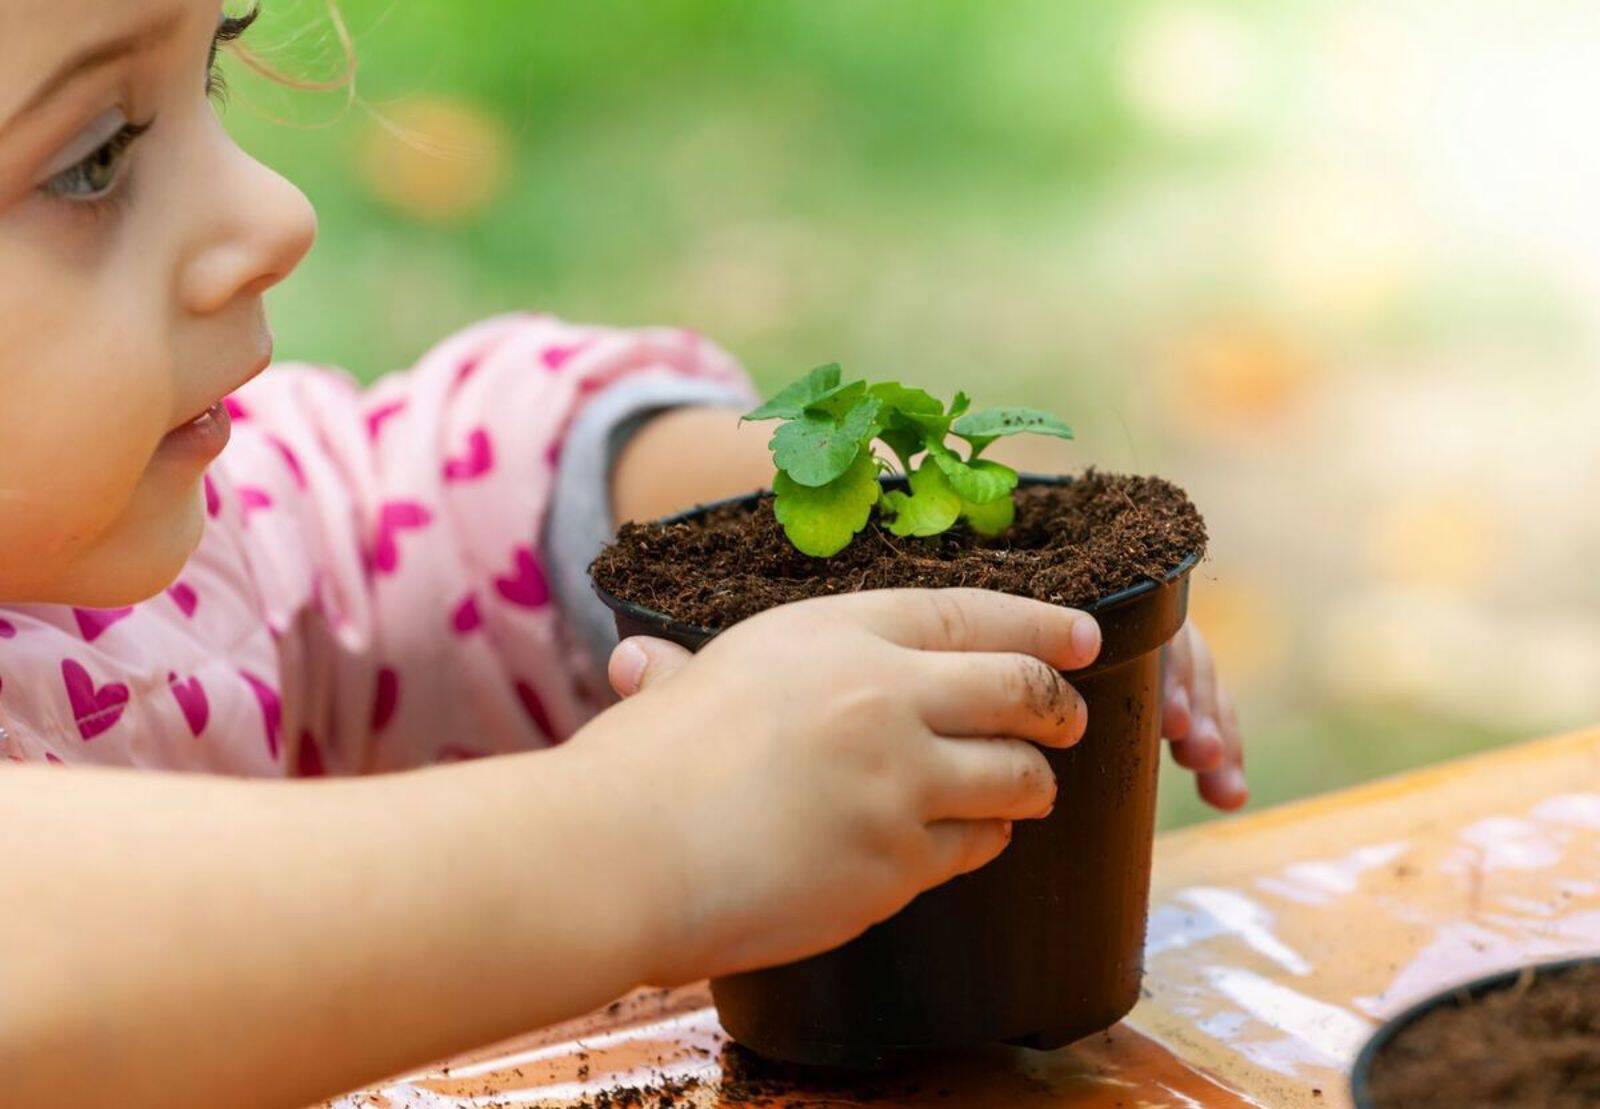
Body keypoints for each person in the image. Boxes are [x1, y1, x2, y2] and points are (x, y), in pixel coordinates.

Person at [0, 2, 1246, 1105]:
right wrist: (647, 832)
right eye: (93, 157)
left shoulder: (125, 569)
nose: (277, 212)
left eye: (206, 69)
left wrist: (826, 523)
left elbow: (402, 524)